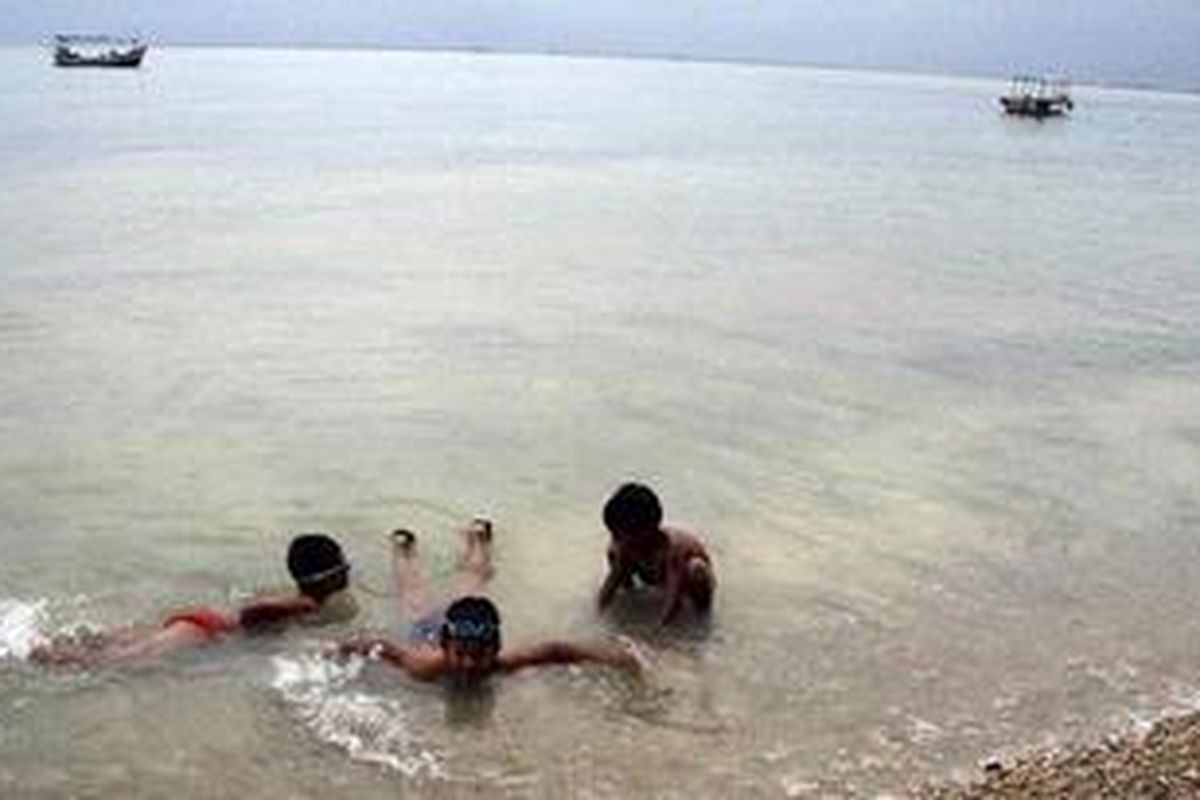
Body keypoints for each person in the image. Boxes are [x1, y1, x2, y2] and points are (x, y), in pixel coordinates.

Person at [338, 520, 644, 684]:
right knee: (412, 593)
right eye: (461, 654)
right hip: (425, 632)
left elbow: (556, 650)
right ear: (446, 648)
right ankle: (402, 550)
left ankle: (478, 537)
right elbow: (381, 647)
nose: (469, 664)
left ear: (495, 648)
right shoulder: (425, 666)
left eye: (478, 655)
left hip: (459, 622)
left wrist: (619, 658)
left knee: (473, 580)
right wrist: (334, 651)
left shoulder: (502, 663)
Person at [31, 532, 354, 667]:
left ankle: (44, 644)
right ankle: (35, 653)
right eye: (344, 565)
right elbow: (254, 610)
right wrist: (243, 621)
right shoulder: (306, 604)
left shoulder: (293, 595)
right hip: (205, 629)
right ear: (327, 576)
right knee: (119, 663)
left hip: (202, 621)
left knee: (109, 642)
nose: (348, 570)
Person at [596, 483, 716, 625]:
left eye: (619, 535)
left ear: (646, 531)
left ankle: (702, 615)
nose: (616, 539)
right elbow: (611, 582)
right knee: (613, 553)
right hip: (655, 576)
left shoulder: (673, 550)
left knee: (696, 569)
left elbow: (674, 599)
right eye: (613, 534)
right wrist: (598, 614)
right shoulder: (625, 545)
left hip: (683, 580)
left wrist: (659, 630)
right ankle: (632, 599)